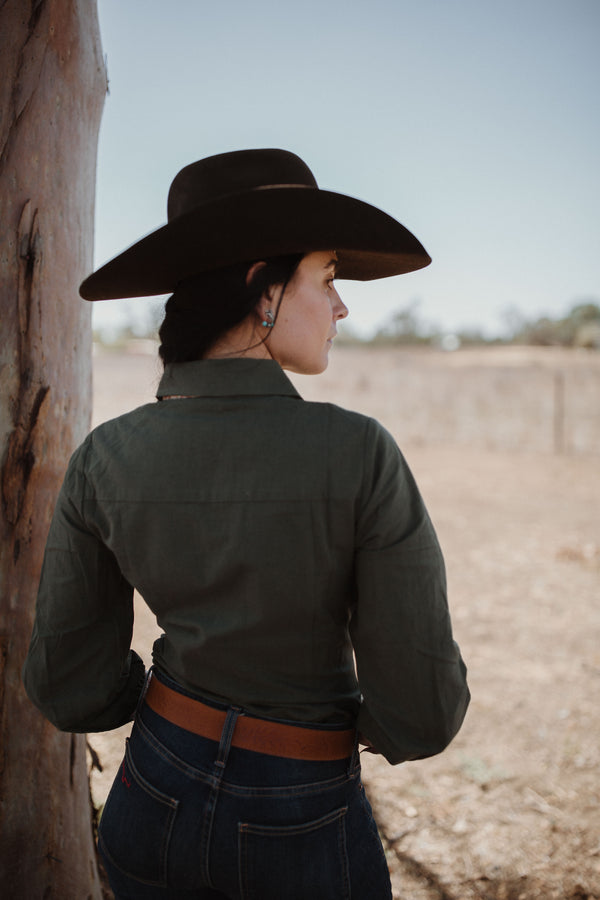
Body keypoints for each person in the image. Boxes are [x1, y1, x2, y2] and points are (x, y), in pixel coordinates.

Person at [23, 148, 469, 899]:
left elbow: (72, 687)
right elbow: (421, 713)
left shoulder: (106, 455)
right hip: (302, 814)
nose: (342, 306)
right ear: (265, 288)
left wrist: (170, 707)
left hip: (148, 795)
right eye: (327, 278)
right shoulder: (358, 452)